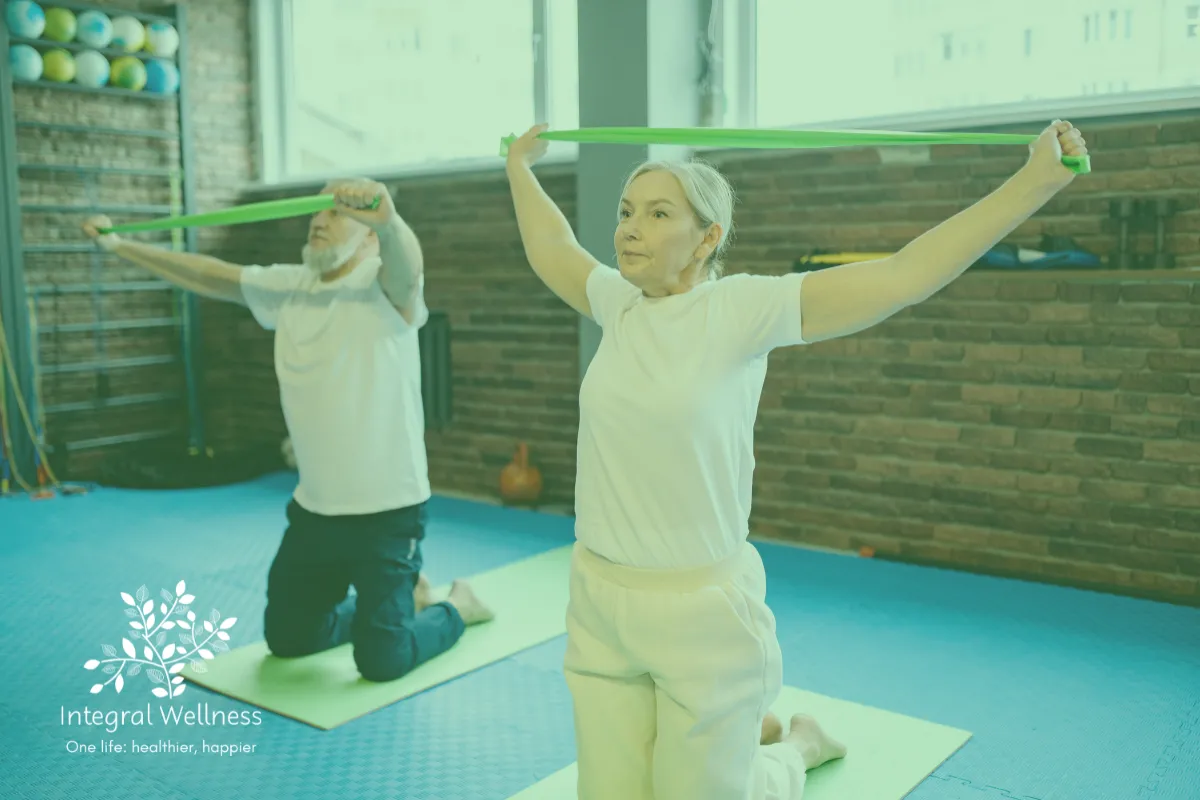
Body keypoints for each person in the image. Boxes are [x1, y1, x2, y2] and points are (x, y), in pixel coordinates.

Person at [503, 120, 1088, 798]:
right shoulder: (617, 304)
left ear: (707, 238)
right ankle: (744, 741)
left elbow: (903, 276)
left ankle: (797, 750)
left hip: (700, 614)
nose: (631, 228)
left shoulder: (739, 309)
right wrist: (522, 165)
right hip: (599, 602)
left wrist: (1037, 179)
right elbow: (552, 246)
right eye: (627, 212)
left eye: (659, 213)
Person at [82, 178, 494, 683]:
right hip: (316, 513)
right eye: (315, 214)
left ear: (368, 238)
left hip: (389, 515)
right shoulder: (290, 287)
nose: (319, 221)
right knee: (291, 639)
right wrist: (121, 245)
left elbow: (408, 266)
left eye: (336, 214)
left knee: (381, 662)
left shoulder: (385, 290)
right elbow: (210, 274)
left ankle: (455, 606)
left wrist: (388, 221)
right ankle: (396, 603)